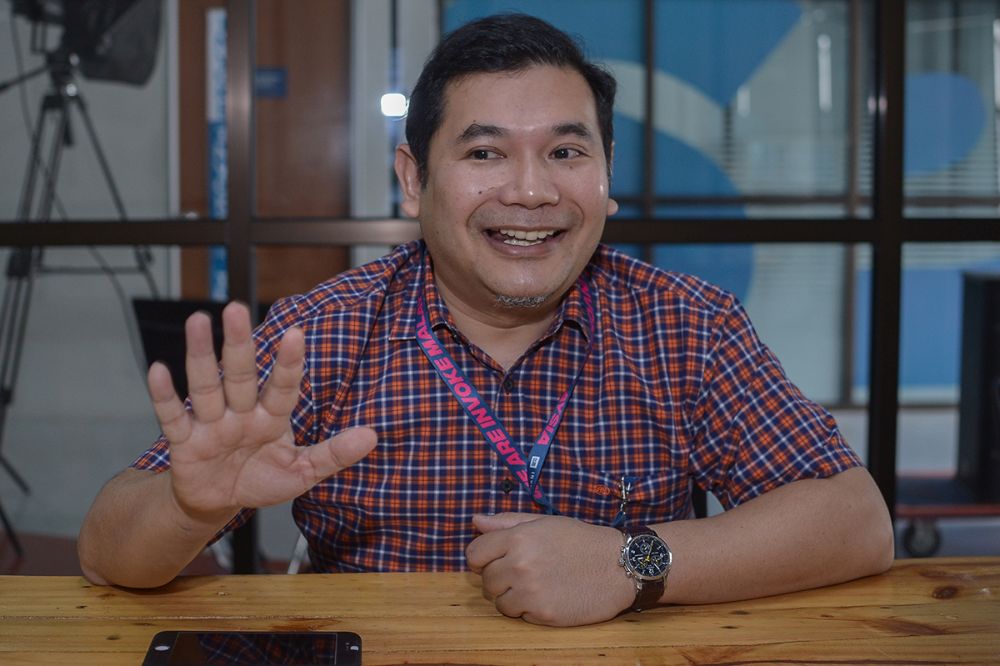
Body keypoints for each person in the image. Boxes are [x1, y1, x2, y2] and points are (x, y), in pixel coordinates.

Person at [78, 13, 894, 627]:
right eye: (484, 153)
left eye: (567, 154)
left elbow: (856, 523)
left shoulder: (686, 326)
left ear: (607, 177)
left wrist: (633, 560)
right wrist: (190, 509)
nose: (531, 192)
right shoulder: (319, 333)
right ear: (413, 179)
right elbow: (107, 556)